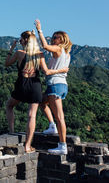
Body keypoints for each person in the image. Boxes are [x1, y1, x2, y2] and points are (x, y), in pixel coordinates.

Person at [5, 30, 69, 153]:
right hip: (35, 86)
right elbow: (46, 71)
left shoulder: (19, 53)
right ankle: (28, 146)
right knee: (32, 115)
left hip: (21, 84)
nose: (19, 41)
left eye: (20, 39)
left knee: (9, 105)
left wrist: (11, 49)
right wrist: (62, 70)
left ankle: (11, 132)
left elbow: (7, 63)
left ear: (24, 41)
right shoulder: (39, 55)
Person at [35, 19, 72, 155]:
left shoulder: (58, 49)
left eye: (56, 37)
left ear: (62, 40)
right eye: (53, 37)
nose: (53, 39)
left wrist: (40, 29)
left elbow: (44, 46)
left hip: (55, 85)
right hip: (59, 85)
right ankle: (52, 126)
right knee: (41, 102)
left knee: (60, 117)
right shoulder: (66, 54)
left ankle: (62, 146)